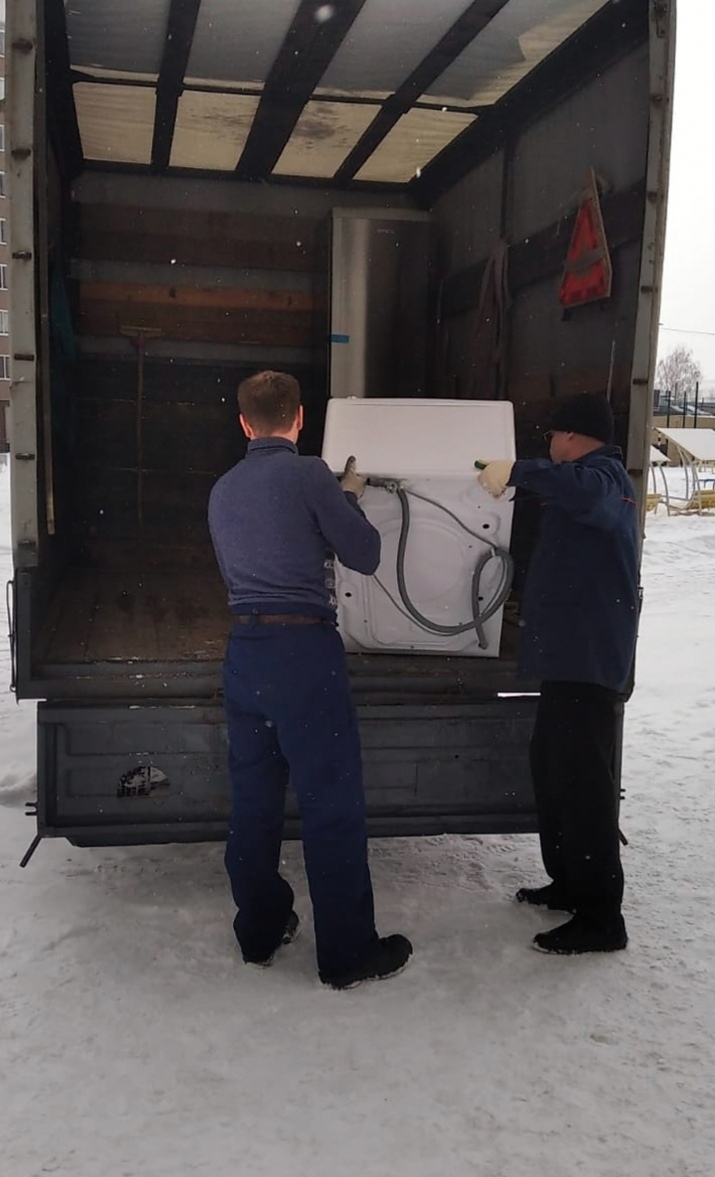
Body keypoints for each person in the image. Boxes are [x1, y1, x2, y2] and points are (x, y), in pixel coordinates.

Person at [208, 370, 412, 989]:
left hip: (245, 653)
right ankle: (347, 954)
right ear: (300, 420)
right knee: (331, 806)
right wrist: (344, 497)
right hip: (303, 655)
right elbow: (367, 554)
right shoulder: (308, 476)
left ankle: (262, 930)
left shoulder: (221, 490)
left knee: (254, 805)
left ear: (244, 424)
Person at [478, 392, 639, 955]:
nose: (550, 445)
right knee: (552, 772)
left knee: (585, 790)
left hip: (589, 666)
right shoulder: (583, 481)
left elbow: (587, 497)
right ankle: (570, 882)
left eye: (553, 437)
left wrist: (520, 471)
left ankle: (601, 919)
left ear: (572, 437)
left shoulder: (606, 479)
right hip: (569, 663)